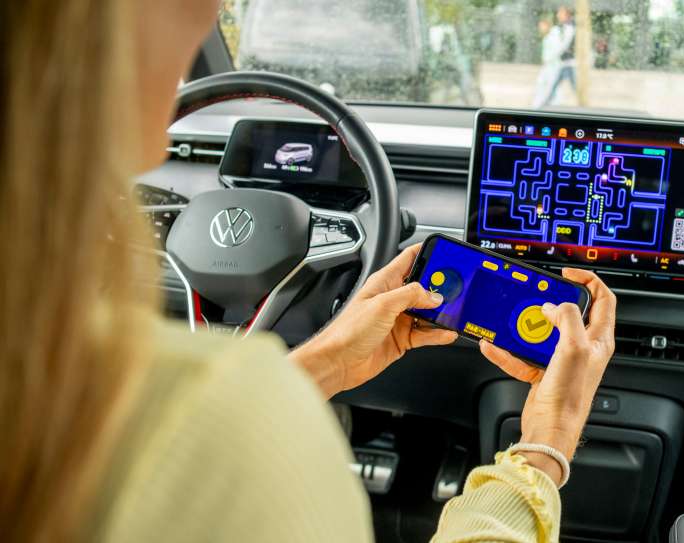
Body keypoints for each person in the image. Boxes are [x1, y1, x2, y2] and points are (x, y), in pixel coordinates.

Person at [0, 1, 616, 542]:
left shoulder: (91, 395)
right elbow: (201, 432)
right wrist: (545, 446)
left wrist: (328, 361)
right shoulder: (222, 411)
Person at [535, 6, 577, 109]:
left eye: (560, 13)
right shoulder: (559, 29)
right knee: (551, 84)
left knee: (553, 84)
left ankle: (545, 104)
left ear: (567, 15)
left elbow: (563, 46)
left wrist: (549, 58)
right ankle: (545, 104)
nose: (558, 15)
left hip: (565, 62)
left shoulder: (569, 28)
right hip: (560, 62)